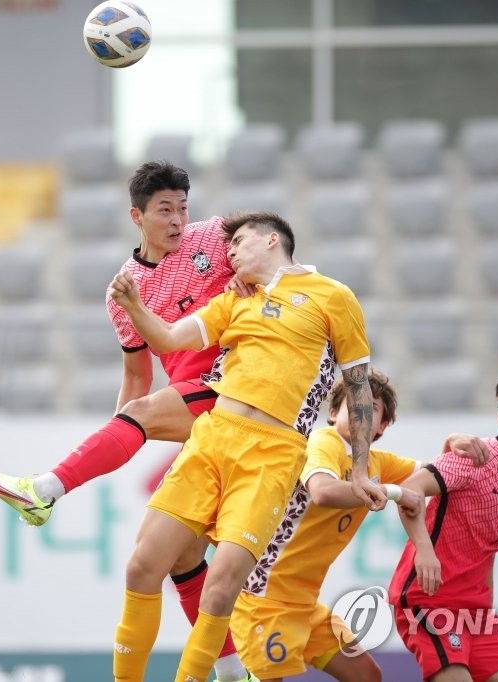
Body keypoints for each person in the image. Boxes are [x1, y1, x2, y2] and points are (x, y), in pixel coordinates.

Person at [0, 160, 255, 682]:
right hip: (197, 407)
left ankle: (42, 492)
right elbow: (136, 378)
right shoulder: (123, 292)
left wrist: (252, 273)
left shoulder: (215, 238)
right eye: (164, 210)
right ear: (137, 216)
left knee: (144, 425)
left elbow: (270, 243)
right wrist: (116, 437)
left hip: (240, 388)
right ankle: (235, 673)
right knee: (172, 558)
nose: (177, 220)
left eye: (182, 207)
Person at [107, 211, 388, 682]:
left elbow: (357, 385)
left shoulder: (334, 297)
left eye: (239, 241)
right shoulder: (233, 301)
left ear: (272, 240)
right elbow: (169, 338)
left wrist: (359, 468)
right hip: (213, 438)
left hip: (273, 455)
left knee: (220, 592)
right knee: (141, 567)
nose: (229, 251)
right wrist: (134, 305)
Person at [230, 371, 490, 682]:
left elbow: (436, 472)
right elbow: (323, 491)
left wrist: (451, 445)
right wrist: (393, 492)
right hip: (265, 598)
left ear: (382, 425)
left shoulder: (376, 463)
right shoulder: (325, 442)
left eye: (372, 406)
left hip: (305, 605)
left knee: (367, 676)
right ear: (333, 412)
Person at [389, 370, 498, 682]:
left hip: (476, 613)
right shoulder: (473, 456)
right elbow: (408, 492)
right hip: (427, 600)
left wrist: (487, 603)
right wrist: (424, 550)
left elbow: (491, 543)